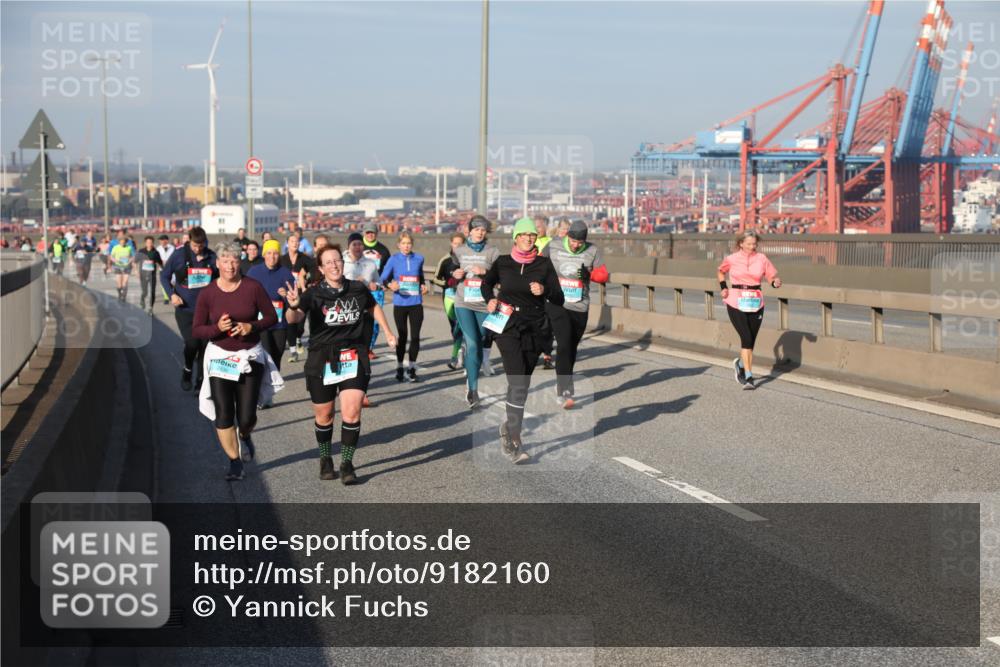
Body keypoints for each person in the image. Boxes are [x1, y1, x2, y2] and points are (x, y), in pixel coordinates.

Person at [285, 244, 397, 485]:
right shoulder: (313, 294)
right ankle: (326, 458)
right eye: (328, 262)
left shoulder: (357, 288)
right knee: (325, 416)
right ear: (321, 268)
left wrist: (388, 332)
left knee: (352, 412)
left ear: (342, 263)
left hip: (353, 355)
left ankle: (347, 463)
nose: (334, 265)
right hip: (321, 358)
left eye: (337, 260)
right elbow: (295, 318)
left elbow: (373, 306)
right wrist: (293, 306)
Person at [192, 242, 282, 481]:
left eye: (234, 260)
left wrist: (251, 326)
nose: (230, 265)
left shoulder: (253, 287)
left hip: (249, 354)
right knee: (223, 413)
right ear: (217, 264)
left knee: (246, 416)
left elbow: (272, 316)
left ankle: (244, 435)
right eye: (225, 261)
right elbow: (197, 330)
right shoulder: (208, 293)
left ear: (240, 262)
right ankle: (234, 462)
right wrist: (216, 328)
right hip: (221, 357)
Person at [481, 217, 564, 463]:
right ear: (515, 238)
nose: (529, 238)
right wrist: (490, 299)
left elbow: (559, 298)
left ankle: (508, 426)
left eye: (532, 235)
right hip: (506, 325)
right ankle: (515, 439)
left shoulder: (544, 265)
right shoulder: (503, 263)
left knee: (523, 383)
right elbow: (486, 284)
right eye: (524, 235)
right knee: (517, 379)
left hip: (535, 327)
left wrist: (545, 291)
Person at [542, 221, 609, 408]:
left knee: (571, 347)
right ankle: (564, 391)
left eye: (579, 242)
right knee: (563, 344)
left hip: (580, 305)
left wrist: (589, 275)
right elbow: (538, 263)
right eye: (572, 240)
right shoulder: (553, 245)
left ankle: (563, 383)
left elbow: (603, 275)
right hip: (557, 303)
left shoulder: (593, 250)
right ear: (567, 236)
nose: (575, 245)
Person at [717, 230, 781, 391]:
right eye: (749, 244)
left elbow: (771, 276)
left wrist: (775, 282)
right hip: (736, 300)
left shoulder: (762, 259)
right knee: (745, 337)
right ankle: (749, 377)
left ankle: (740, 363)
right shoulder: (731, 259)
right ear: (741, 244)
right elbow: (720, 271)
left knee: (751, 340)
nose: (753, 247)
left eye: (754, 244)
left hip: (756, 301)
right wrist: (724, 287)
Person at [161, 226, 219, 391]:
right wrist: (172, 294)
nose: (197, 249)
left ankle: (200, 382)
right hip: (185, 309)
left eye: (200, 245)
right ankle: (187, 370)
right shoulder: (179, 255)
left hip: (206, 312)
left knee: (205, 347)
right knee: (192, 344)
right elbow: (164, 276)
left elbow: (220, 279)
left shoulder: (211, 256)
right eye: (194, 245)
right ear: (189, 241)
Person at [452, 214, 501, 408]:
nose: (480, 233)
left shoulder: (493, 252)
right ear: (469, 230)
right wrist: (454, 274)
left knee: (479, 343)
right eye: (476, 229)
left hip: (484, 304)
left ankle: (471, 370)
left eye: (483, 230)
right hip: (463, 302)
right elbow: (452, 271)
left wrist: (485, 272)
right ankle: (473, 390)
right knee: (472, 343)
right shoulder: (459, 250)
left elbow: (500, 278)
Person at [380, 231, 427, 382]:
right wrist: (389, 285)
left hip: (416, 303)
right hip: (400, 303)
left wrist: (424, 286)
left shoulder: (419, 258)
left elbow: (421, 276)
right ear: (398, 245)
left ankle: (412, 368)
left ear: (412, 244)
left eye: (409, 243)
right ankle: (400, 366)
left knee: (415, 337)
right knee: (403, 336)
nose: (406, 246)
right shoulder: (393, 260)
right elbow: (382, 278)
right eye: (403, 243)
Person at [247, 240, 295, 382]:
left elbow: (294, 299)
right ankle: (263, 389)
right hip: (261, 322)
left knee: (277, 354)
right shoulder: (254, 272)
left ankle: (272, 384)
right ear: (264, 255)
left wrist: (286, 296)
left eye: (275, 253)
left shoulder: (286, 273)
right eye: (269, 253)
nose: (272, 256)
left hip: (280, 322)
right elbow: (246, 294)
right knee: (266, 354)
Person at [432, 233, 467, 371]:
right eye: (455, 243)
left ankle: (456, 358)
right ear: (451, 244)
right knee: (455, 328)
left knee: (462, 327)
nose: (458, 246)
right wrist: (447, 283)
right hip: (449, 298)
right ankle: (459, 352)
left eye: (461, 243)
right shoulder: (445, 260)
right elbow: (435, 278)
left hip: (466, 297)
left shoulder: (468, 259)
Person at [280, 233, 316, 362]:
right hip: (287, 295)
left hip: (301, 294)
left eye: (297, 242)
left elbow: (315, 271)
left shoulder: (304, 259)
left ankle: (299, 338)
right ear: (287, 244)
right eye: (292, 241)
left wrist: (307, 277)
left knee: (300, 325)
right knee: (290, 323)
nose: (295, 243)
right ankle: (293, 351)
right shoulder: (282, 259)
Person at [359, 222, 391, 355]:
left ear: (376, 233)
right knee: (359, 318)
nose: (370, 235)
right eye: (367, 232)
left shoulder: (383, 250)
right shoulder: (357, 247)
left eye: (372, 232)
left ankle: (369, 348)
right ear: (363, 234)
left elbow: (389, 269)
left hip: (377, 290)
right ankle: (359, 345)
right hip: (359, 289)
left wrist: (386, 283)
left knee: (376, 321)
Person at [136, 236, 163, 313]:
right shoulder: (141, 251)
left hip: (152, 275)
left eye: (151, 242)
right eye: (148, 242)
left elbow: (160, 263)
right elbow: (135, 262)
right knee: (145, 292)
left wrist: (164, 270)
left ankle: (151, 307)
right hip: (143, 274)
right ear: (145, 243)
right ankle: (142, 299)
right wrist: (136, 272)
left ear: (153, 243)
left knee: (152, 292)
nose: (149, 244)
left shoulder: (156, 252)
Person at [109, 233, 135, 301]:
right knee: (119, 284)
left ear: (126, 242)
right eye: (121, 242)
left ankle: (124, 296)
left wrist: (129, 261)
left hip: (127, 266)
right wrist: (115, 260)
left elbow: (133, 256)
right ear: (119, 242)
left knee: (125, 282)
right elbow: (111, 256)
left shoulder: (129, 247)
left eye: (124, 242)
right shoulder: (115, 247)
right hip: (118, 266)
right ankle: (120, 294)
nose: (122, 243)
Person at [156, 235, 176, 304]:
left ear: (166, 240)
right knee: (163, 283)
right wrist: (160, 262)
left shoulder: (172, 248)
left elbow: (174, 257)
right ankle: (166, 297)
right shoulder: (158, 248)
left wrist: (168, 261)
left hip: (171, 268)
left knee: (172, 282)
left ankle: (172, 294)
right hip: (162, 268)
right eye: (160, 240)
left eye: (162, 240)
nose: (161, 241)